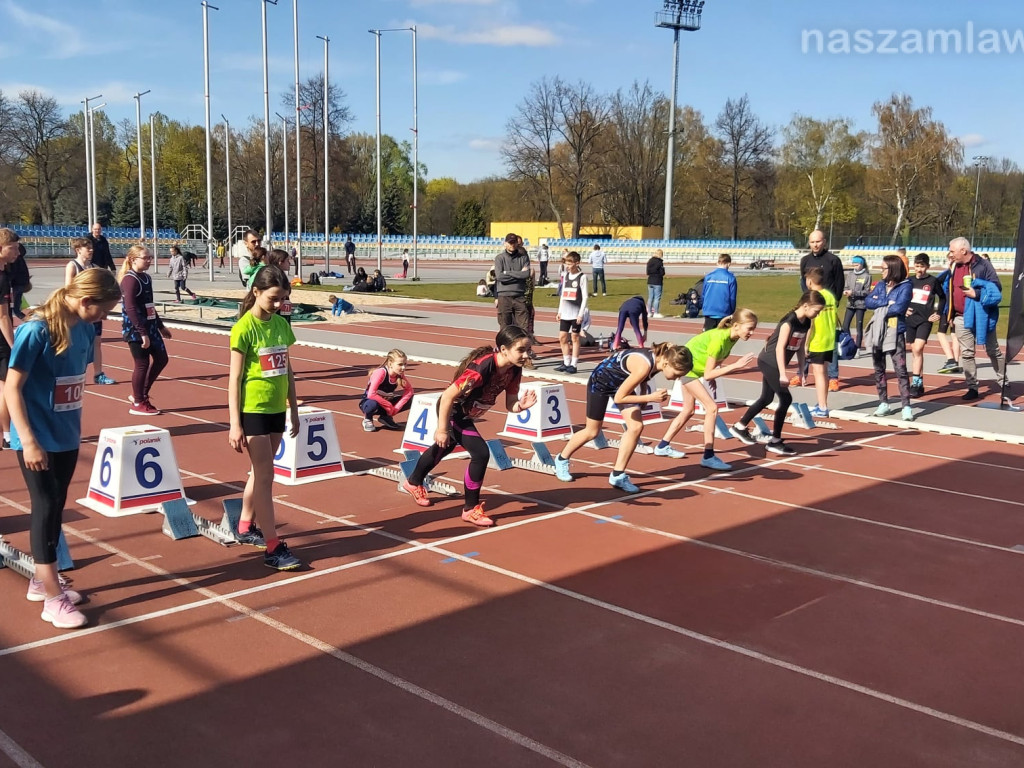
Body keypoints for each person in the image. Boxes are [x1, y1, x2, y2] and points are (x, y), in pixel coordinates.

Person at [6, 268, 121, 628]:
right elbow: (11, 387)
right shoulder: (35, 330)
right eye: (102, 311)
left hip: (67, 434)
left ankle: (43, 581)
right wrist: (26, 440)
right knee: (44, 507)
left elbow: (69, 382)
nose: (104, 318)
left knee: (56, 506)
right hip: (37, 439)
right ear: (85, 300)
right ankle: (53, 599)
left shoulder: (85, 328)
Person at [400, 326, 537, 527]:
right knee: (481, 453)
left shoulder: (514, 369)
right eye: (521, 350)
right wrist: (442, 428)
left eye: (528, 350)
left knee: (443, 447)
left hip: (467, 413)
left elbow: (510, 404)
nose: (526, 355)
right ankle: (470, 509)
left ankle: (413, 482)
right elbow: (447, 396)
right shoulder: (482, 368)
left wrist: (520, 407)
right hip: (454, 411)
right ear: (503, 349)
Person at [227, 265, 303, 571]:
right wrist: (235, 423)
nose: (277, 304)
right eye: (273, 298)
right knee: (266, 476)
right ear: (256, 292)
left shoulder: (281, 325)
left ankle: (246, 525)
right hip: (253, 410)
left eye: (282, 299)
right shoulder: (243, 328)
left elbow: (288, 370)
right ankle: (273, 546)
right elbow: (233, 380)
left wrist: (294, 409)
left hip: (276, 410)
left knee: (260, 473)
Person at [553, 342, 692, 492]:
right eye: (677, 374)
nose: (678, 378)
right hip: (600, 383)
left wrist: (644, 394)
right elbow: (620, 398)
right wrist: (649, 398)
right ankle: (561, 459)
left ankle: (618, 475)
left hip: (620, 383)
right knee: (592, 432)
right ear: (666, 363)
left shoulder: (660, 359)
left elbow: (644, 378)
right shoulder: (644, 365)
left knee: (636, 427)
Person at [656, 310, 758, 470]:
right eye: (749, 328)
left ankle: (662, 446)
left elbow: (714, 364)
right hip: (687, 370)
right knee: (711, 408)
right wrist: (736, 365)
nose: (752, 333)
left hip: (694, 370)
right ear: (737, 326)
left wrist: (715, 375)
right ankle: (708, 456)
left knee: (688, 410)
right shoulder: (720, 338)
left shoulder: (732, 337)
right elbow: (709, 374)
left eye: (754, 329)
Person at [730, 291, 825, 456]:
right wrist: (782, 373)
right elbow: (780, 348)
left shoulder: (807, 323)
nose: (817, 314)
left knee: (766, 398)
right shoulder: (789, 322)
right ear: (805, 306)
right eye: (816, 311)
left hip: (776, 364)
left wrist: (802, 370)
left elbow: (801, 348)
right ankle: (775, 441)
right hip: (769, 361)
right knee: (786, 398)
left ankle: (739, 426)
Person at [946, 237, 1007, 402]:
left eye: (952, 251)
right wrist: (949, 314)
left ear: (963, 251)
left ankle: (1004, 383)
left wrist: (977, 294)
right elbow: (948, 290)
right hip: (960, 317)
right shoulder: (953, 266)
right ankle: (972, 387)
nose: (950, 254)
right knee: (966, 353)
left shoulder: (983, 264)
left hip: (983, 315)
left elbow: (996, 287)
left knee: (993, 351)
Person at [119, 244, 171, 416]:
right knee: (141, 364)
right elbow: (131, 308)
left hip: (150, 327)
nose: (149, 260)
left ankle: (139, 394)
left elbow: (150, 305)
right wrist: (142, 333)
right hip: (135, 330)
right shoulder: (130, 279)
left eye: (150, 257)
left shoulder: (146, 278)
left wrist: (160, 326)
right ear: (133, 260)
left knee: (162, 359)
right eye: (145, 258)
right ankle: (138, 402)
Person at [864, 255, 913, 420]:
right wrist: (885, 302)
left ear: (892, 269)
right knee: (878, 368)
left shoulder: (906, 286)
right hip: (878, 330)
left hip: (895, 331)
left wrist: (883, 303)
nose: (881, 271)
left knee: (900, 369)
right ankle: (883, 402)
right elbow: (868, 301)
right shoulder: (880, 285)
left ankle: (906, 405)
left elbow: (899, 307)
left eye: (883, 268)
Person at [65, 237, 116, 386]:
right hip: (79, 311)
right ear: (78, 250)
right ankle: (72, 373)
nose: (91, 250)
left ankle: (98, 374)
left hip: (94, 311)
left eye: (92, 248)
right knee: (76, 343)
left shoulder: (94, 267)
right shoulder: (72, 266)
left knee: (96, 343)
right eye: (88, 248)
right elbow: (68, 289)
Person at [800, 230, 845, 389]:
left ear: (824, 241)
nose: (815, 245)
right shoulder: (805, 260)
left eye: (818, 242)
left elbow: (839, 283)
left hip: (827, 307)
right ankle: (801, 374)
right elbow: (803, 282)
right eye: (812, 242)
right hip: (809, 306)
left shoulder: (833, 260)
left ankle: (833, 377)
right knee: (806, 338)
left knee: (828, 339)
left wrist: (835, 301)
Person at [800, 266, 838, 417]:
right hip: (829, 337)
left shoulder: (813, 297)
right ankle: (822, 402)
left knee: (819, 373)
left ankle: (822, 407)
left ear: (809, 281)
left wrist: (806, 343)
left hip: (818, 339)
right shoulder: (829, 295)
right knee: (825, 373)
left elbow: (811, 323)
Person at [905, 253, 944, 397]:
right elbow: (903, 297)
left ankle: (915, 382)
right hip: (910, 320)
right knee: (915, 351)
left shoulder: (933, 281)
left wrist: (938, 312)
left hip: (925, 320)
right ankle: (919, 382)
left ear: (927, 266)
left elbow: (943, 297)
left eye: (922, 266)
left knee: (918, 348)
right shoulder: (909, 281)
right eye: (917, 266)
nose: (919, 269)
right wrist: (904, 309)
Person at [359, 349, 414, 432]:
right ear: (390, 364)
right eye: (400, 364)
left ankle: (385, 417)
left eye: (405, 364)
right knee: (373, 403)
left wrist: (396, 407)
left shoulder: (400, 375)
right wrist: (389, 405)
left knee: (413, 399)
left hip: (386, 403)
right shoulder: (381, 373)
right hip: (369, 402)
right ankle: (368, 418)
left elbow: (409, 391)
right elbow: (371, 394)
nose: (403, 367)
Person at [493, 232, 532, 348]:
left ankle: (525, 352)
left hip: (519, 295)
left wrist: (508, 273)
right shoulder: (499, 258)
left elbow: (526, 274)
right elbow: (499, 277)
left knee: (523, 327)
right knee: (505, 327)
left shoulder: (523, 258)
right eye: (510, 243)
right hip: (504, 296)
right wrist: (518, 274)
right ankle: (504, 351)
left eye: (514, 242)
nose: (512, 245)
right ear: (505, 244)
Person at [0, 228, 19, 448]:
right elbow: (3, 317)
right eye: (12, 248)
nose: (17, 252)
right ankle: (7, 434)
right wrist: (14, 345)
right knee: (7, 387)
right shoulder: (2, 278)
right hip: (1, 341)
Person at [554, 251, 588, 374]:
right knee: (562, 337)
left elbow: (585, 297)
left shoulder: (582, 277)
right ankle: (566, 361)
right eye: (566, 263)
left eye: (570, 263)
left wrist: (580, 314)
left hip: (576, 314)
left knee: (574, 337)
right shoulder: (566, 275)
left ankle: (574, 364)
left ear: (576, 263)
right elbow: (563, 295)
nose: (567, 266)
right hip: (565, 313)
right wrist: (559, 311)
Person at [934, 250, 963, 375]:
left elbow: (936, 281)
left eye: (952, 258)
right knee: (954, 334)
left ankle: (951, 359)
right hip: (953, 306)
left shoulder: (950, 273)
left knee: (941, 333)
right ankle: (955, 362)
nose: (951, 260)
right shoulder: (951, 272)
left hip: (949, 308)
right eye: (949, 258)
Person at [700, 254, 737, 330]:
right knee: (721, 338)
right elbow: (732, 298)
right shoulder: (731, 278)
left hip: (709, 311)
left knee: (708, 338)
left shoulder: (708, 276)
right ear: (729, 264)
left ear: (718, 263)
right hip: (723, 312)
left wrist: (704, 307)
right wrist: (731, 311)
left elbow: (703, 294)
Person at [842, 255, 871, 350]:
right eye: (854, 264)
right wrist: (846, 291)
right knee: (845, 325)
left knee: (859, 326)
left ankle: (858, 346)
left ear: (862, 265)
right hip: (850, 303)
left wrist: (854, 292)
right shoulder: (850, 275)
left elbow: (866, 292)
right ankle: (850, 343)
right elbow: (846, 286)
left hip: (860, 305)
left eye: (857, 265)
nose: (855, 266)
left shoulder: (867, 276)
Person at [9, 242, 31, 320]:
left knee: (11, 308)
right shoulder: (20, 257)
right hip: (20, 283)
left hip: (15, 284)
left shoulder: (13, 260)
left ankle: (28, 320)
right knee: (16, 308)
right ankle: (28, 320)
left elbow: (12, 272)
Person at [646, 248, 666, 318]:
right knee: (657, 298)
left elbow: (647, 272)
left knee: (650, 297)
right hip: (657, 281)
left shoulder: (650, 261)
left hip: (650, 280)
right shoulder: (659, 262)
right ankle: (656, 312)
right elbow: (662, 273)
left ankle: (649, 312)